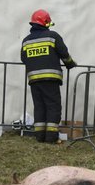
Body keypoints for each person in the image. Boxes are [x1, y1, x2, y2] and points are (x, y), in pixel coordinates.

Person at [20, 9, 76, 144]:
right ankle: (51, 137)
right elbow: (64, 54)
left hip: (34, 80)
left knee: (39, 106)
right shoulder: (52, 36)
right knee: (52, 106)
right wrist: (70, 64)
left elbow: (23, 58)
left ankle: (39, 136)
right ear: (45, 22)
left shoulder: (26, 41)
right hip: (50, 79)